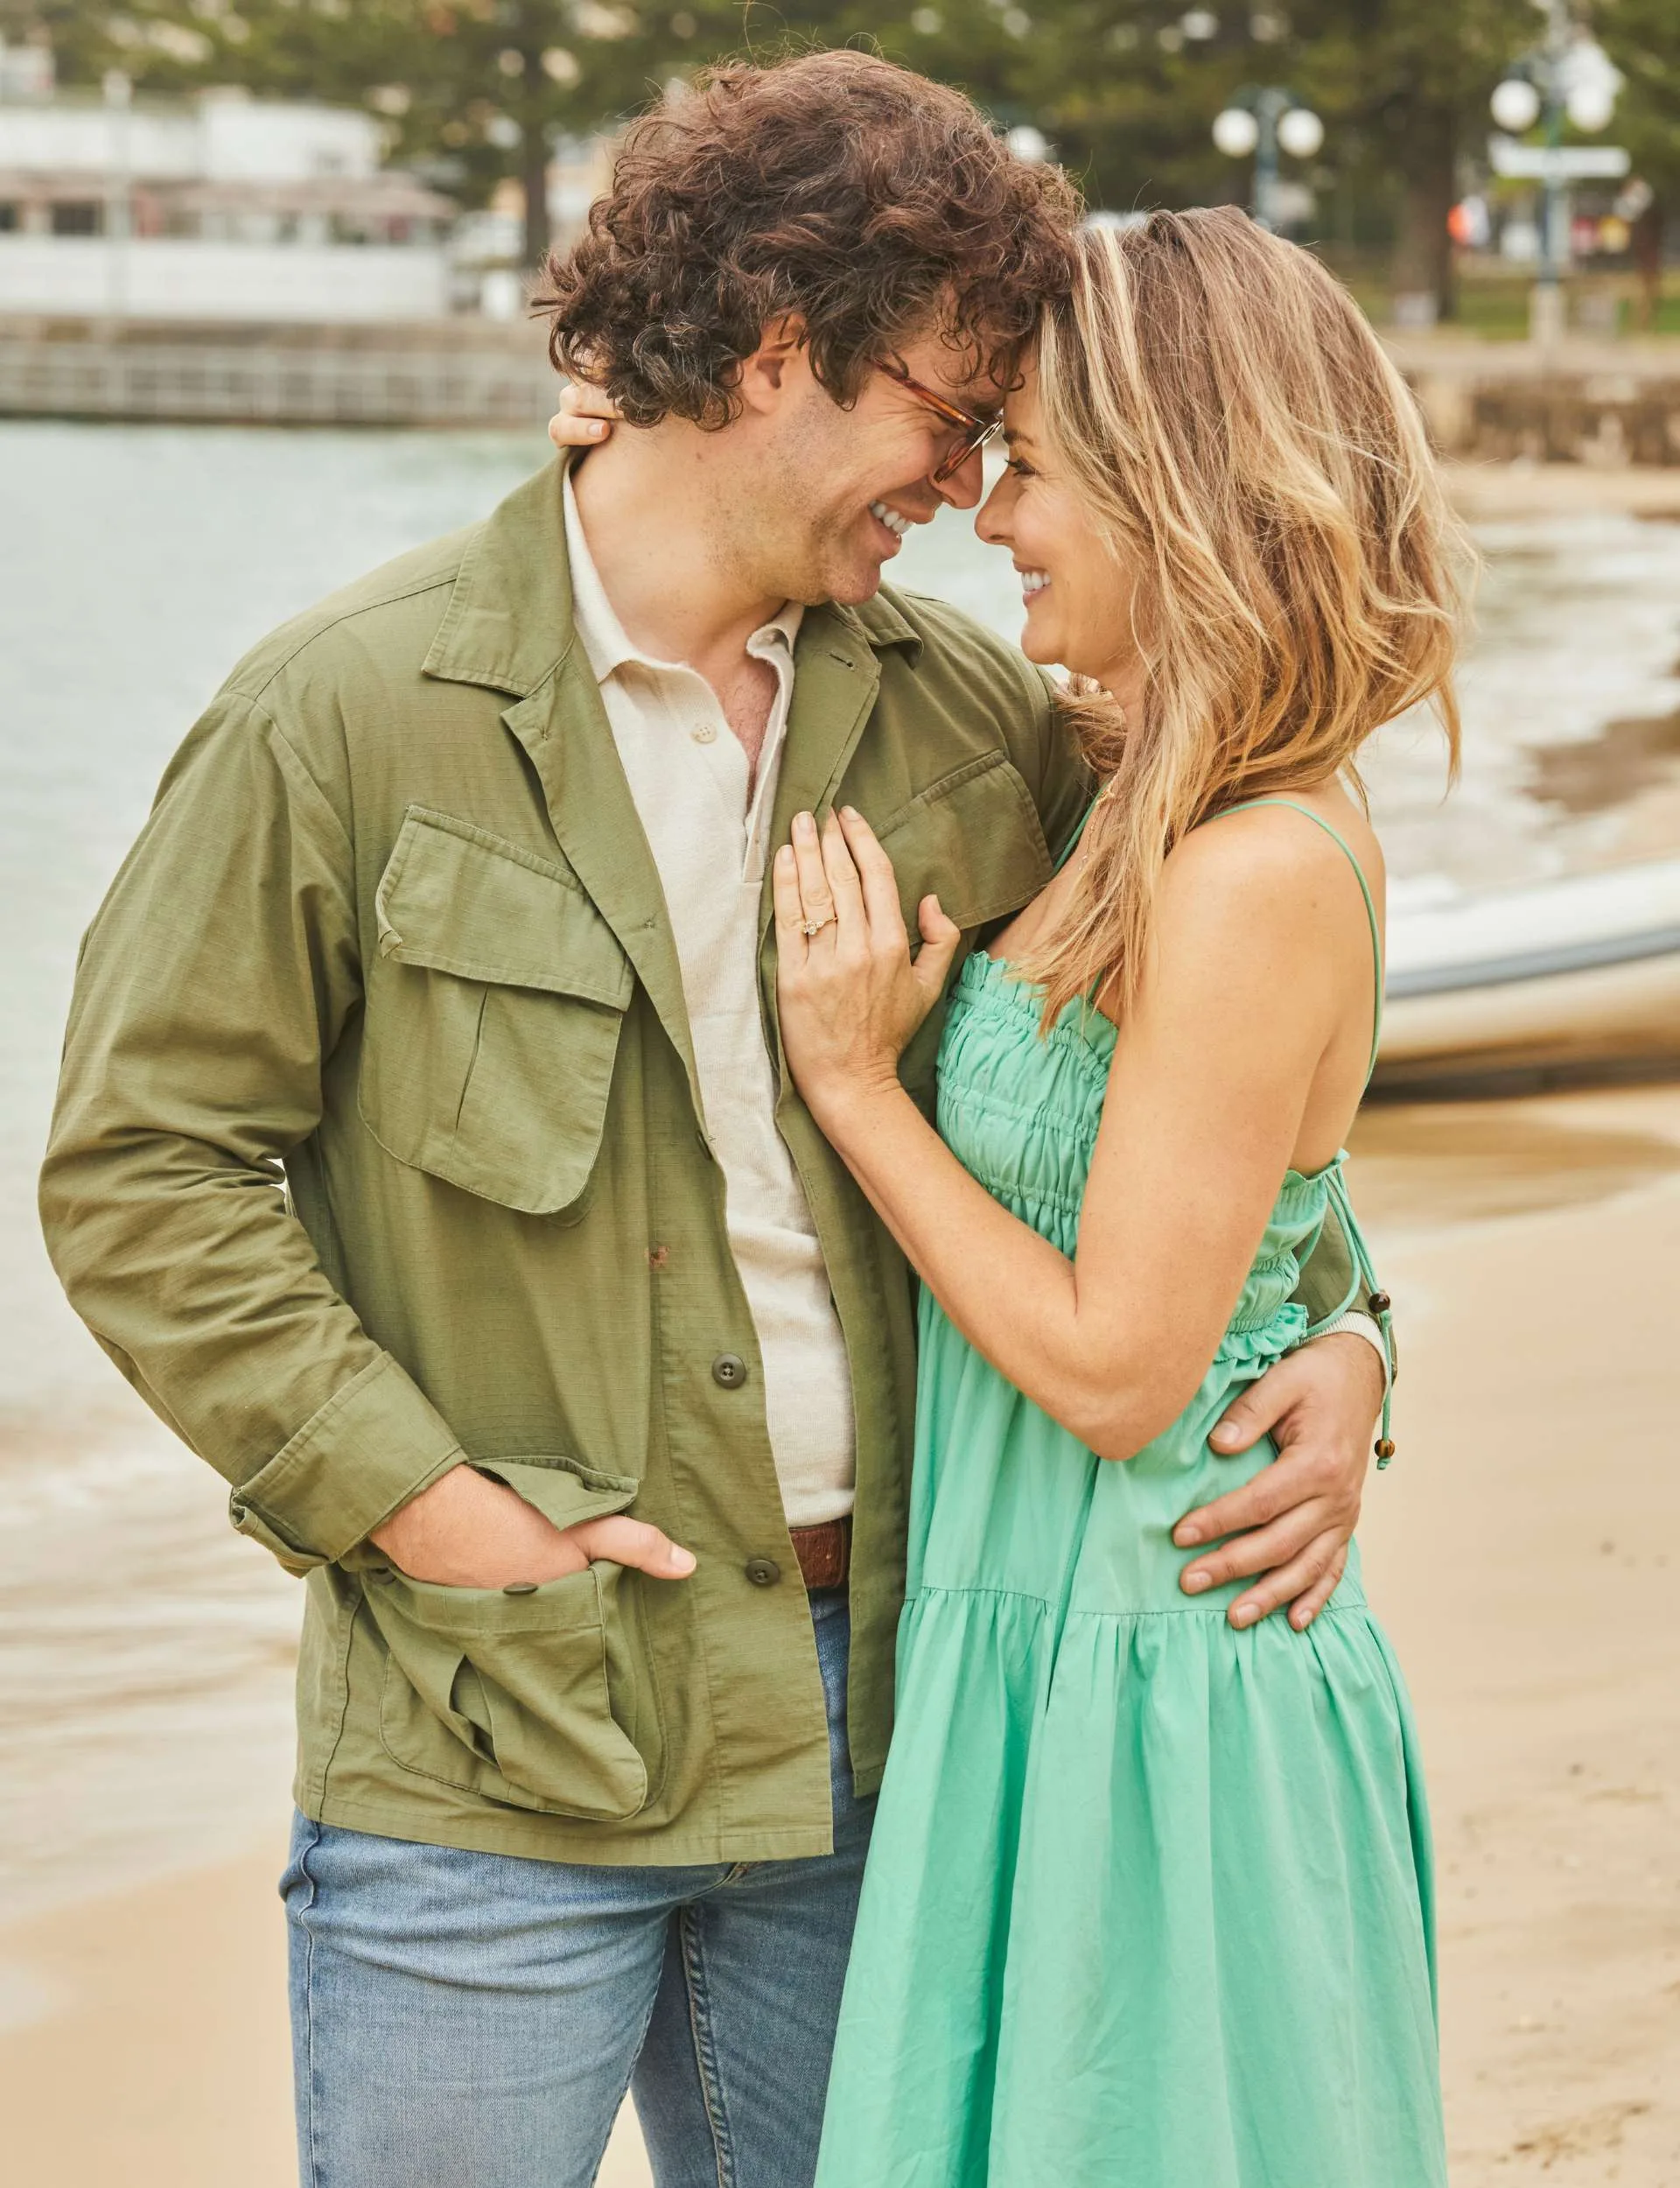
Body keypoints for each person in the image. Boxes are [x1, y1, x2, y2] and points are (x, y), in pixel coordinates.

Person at [41, 58, 1387, 2188]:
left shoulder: (970, 719)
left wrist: (1353, 1337)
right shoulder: (349, 712)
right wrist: (423, 1508)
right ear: (777, 359)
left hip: (892, 1733)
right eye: (951, 411)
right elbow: (143, 1169)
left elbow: (1196, 1062)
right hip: (494, 1750)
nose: (966, 481)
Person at [767, 210, 1461, 2185]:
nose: (991, 513)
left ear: (1183, 484)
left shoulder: (1251, 867)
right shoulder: (1137, 779)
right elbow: (1271, 1210)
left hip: (1162, 1678)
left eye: (1042, 464)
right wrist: (1353, 1331)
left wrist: (853, 1085)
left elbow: (1120, 1368)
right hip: (1048, 1651)